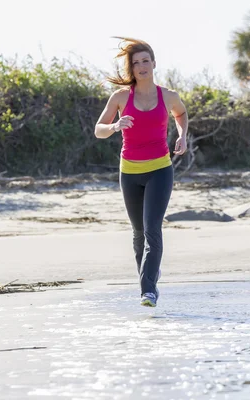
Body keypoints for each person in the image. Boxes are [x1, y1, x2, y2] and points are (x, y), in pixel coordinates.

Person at [94, 37, 189, 307]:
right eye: (136, 63)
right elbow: (98, 129)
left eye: (146, 61)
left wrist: (182, 136)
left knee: (152, 230)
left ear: (154, 63)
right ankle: (149, 278)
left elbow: (181, 114)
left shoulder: (168, 95)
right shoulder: (121, 97)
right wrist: (115, 126)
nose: (142, 66)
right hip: (130, 173)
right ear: (132, 69)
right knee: (138, 233)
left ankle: (148, 290)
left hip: (160, 168)